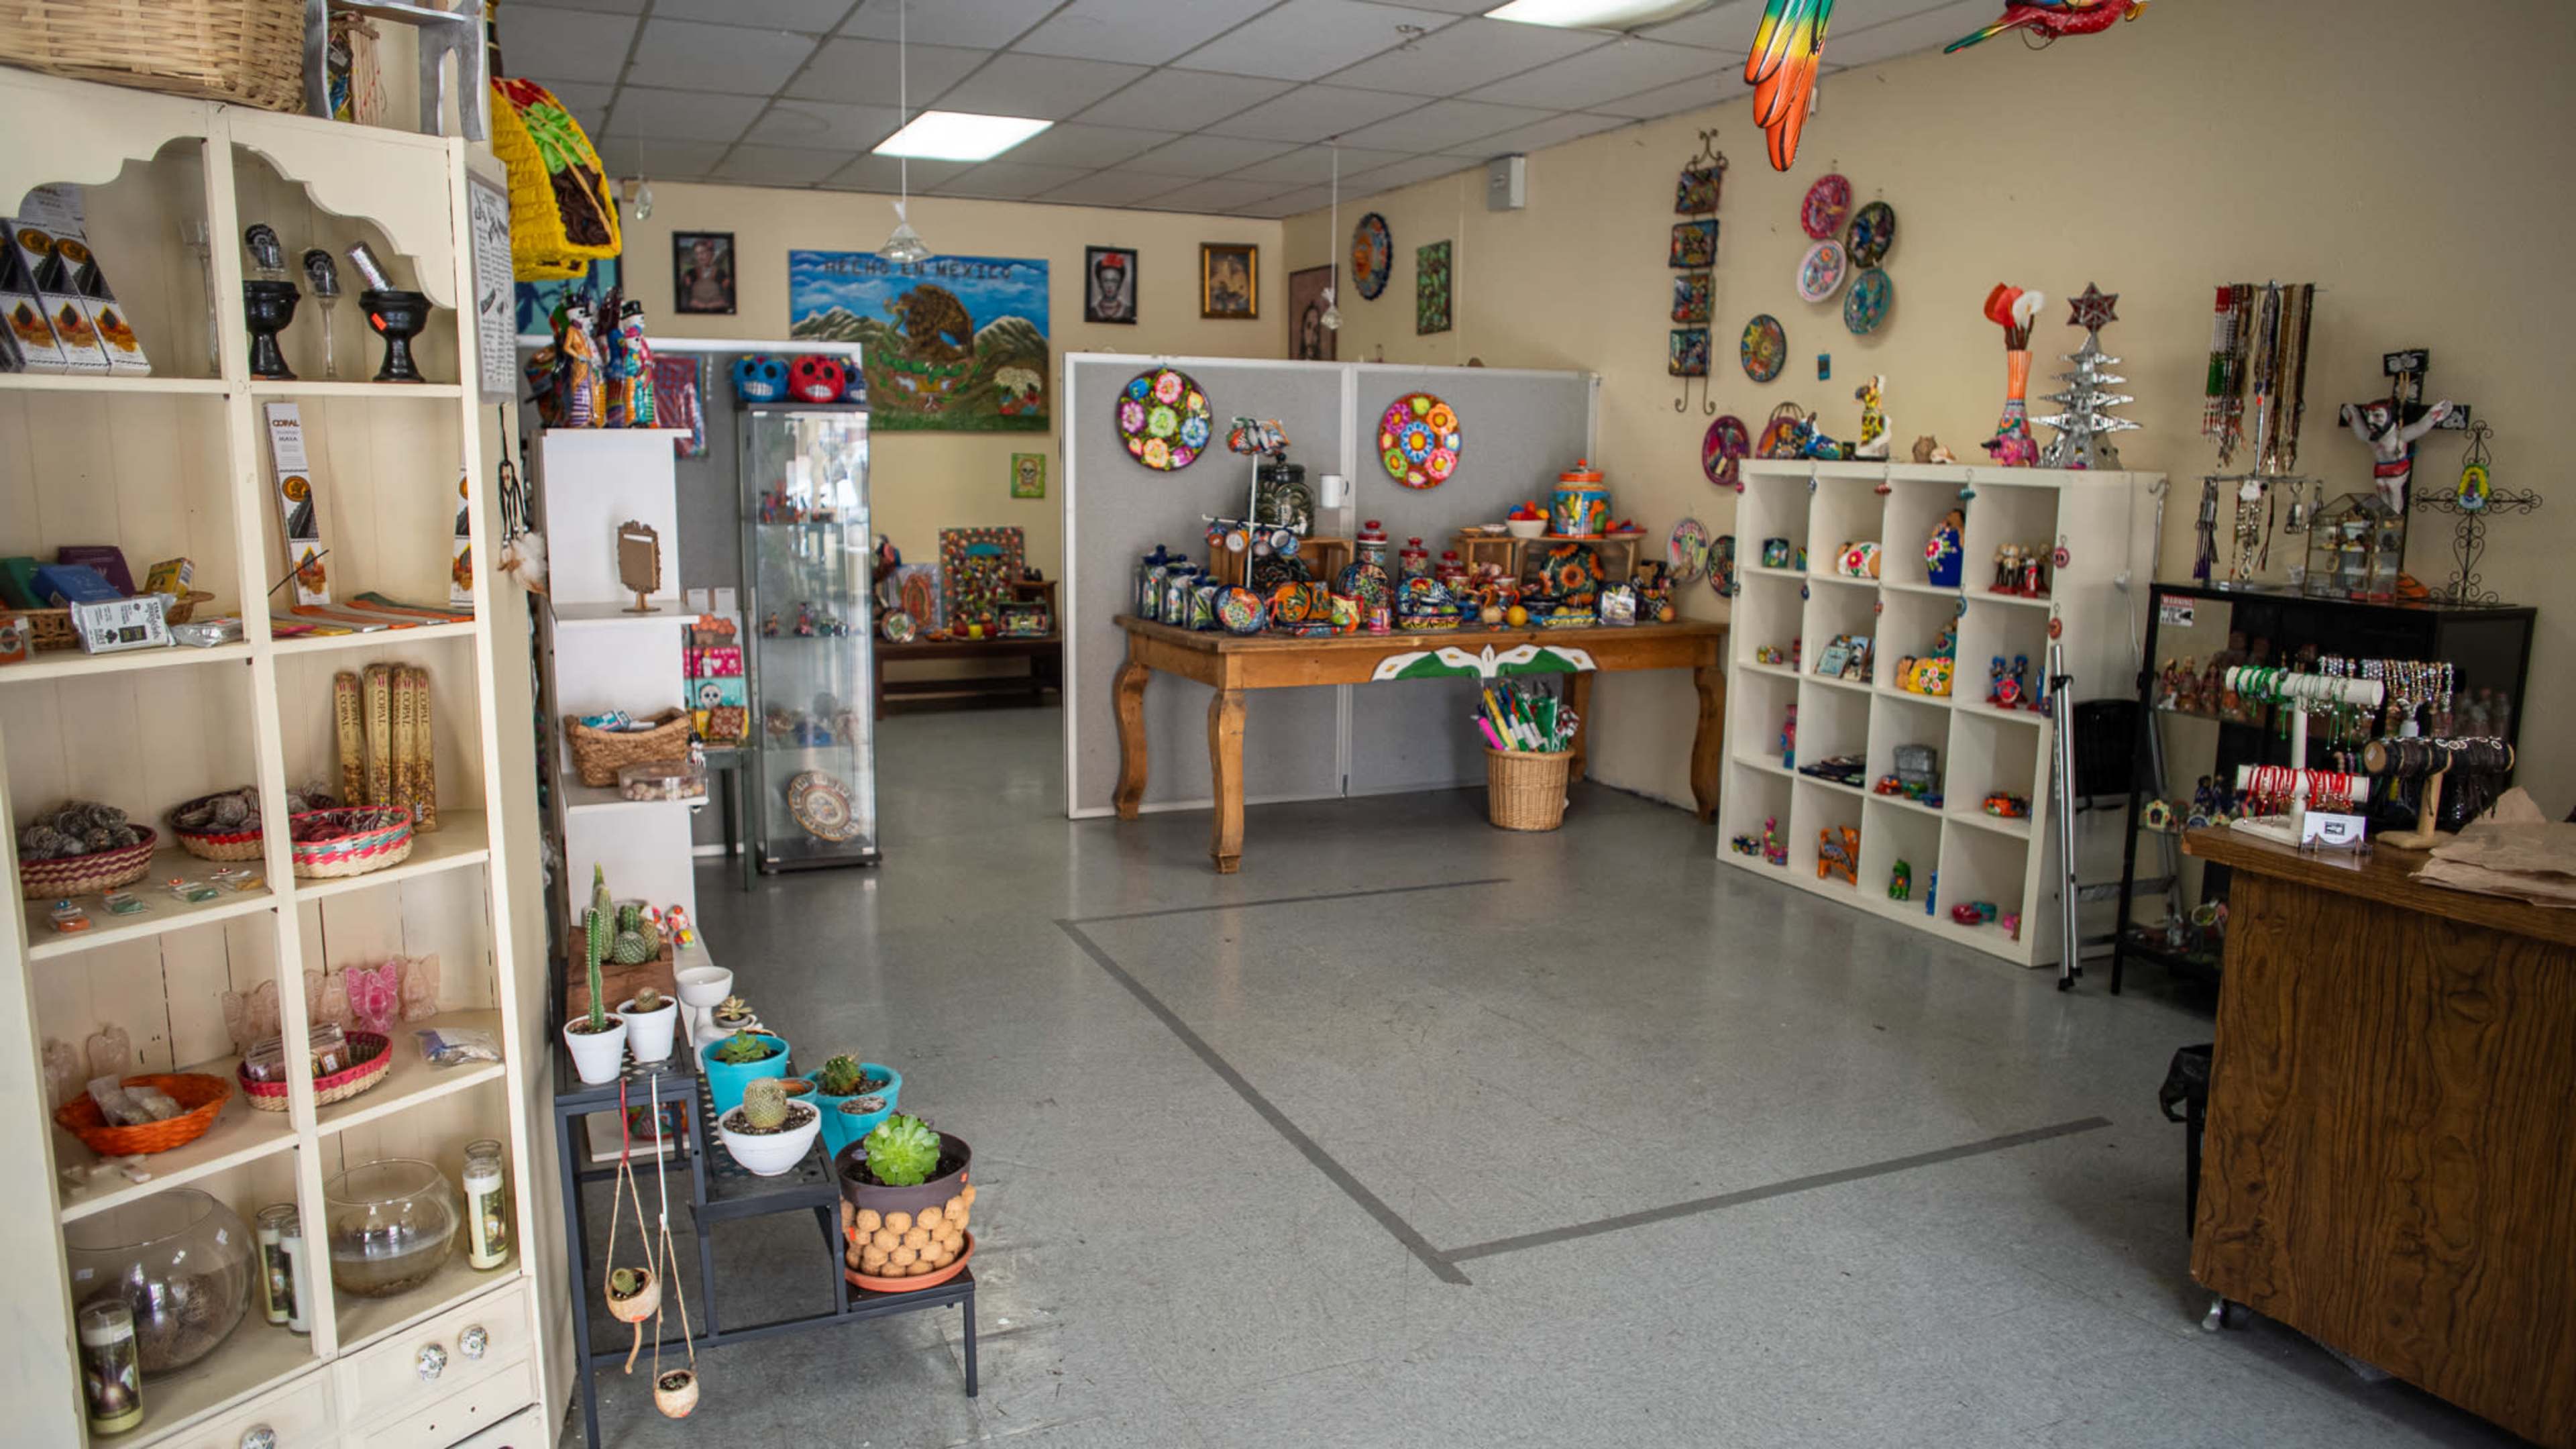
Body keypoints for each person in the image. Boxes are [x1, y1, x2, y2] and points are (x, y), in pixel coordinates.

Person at [1089, 250, 1131, 322]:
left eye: (1114, 281)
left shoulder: (1129, 311)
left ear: (1120, 283)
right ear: (1099, 283)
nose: (1110, 286)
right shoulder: (1091, 311)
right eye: (1106, 281)